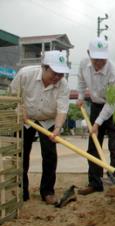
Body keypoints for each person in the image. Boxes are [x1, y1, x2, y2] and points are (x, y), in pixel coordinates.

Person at [10, 50, 70, 204]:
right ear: (44, 67)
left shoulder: (63, 85)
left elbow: (62, 109)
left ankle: (48, 192)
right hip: (25, 118)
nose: (57, 78)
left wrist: (57, 128)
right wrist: (20, 110)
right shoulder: (25, 74)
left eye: (61, 74)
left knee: (50, 156)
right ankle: (21, 191)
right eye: (55, 73)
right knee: (21, 155)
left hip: (48, 121)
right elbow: (12, 96)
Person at [76, 37, 115, 195]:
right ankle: (95, 183)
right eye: (95, 59)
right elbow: (81, 82)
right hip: (96, 106)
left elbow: (111, 103)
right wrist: (81, 97)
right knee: (93, 147)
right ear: (89, 53)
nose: (99, 63)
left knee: (114, 147)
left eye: (102, 59)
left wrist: (97, 123)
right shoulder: (84, 64)